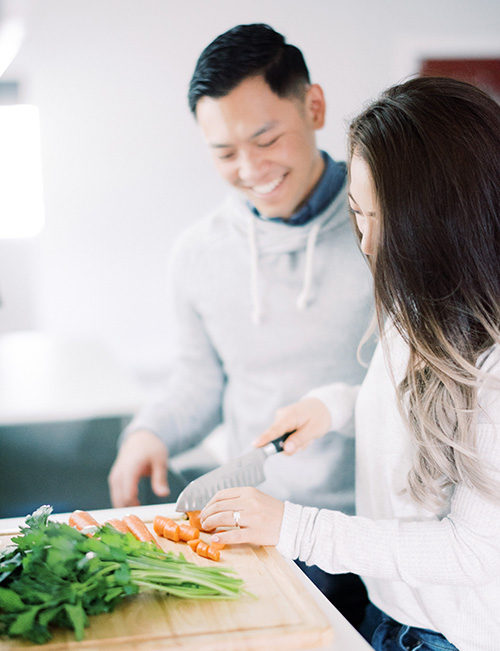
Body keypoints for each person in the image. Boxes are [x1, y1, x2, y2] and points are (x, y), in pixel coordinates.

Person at [198, 76, 500, 651]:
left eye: (377, 218)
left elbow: (475, 549)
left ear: (438, 218)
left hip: (450, 637)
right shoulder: (419, 303)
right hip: (388, 610)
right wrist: (332, 406)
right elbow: (413, 412)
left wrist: (295, 528)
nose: (364, 241)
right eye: (356, 213)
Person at [108, 23, 374, 627]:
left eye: (266, 138)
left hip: (367, 538)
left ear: (314, 107)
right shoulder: (197, 254)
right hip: (253, 531)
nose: (251, 169)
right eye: (225, 153)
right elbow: (200, 382)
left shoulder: (383, 231)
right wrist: (148, 434)